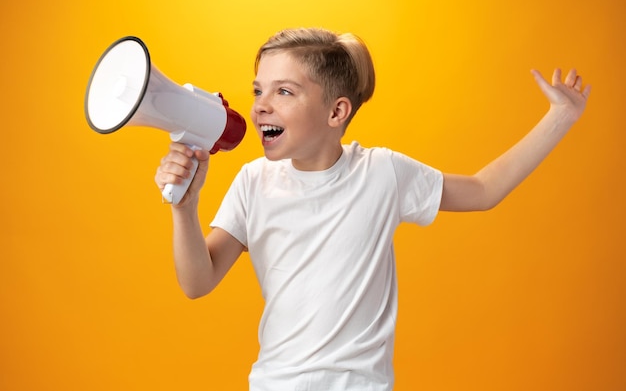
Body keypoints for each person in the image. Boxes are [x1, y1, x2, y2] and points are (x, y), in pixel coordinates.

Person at [154, 27, 591, 391]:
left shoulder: (382, 173)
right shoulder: (253, 181)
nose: (260, 105)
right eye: (258, 90)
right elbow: (198, 281)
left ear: (337, 111)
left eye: (283, 91)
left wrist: (560, 118)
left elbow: (483, 189)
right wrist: (185, 209)